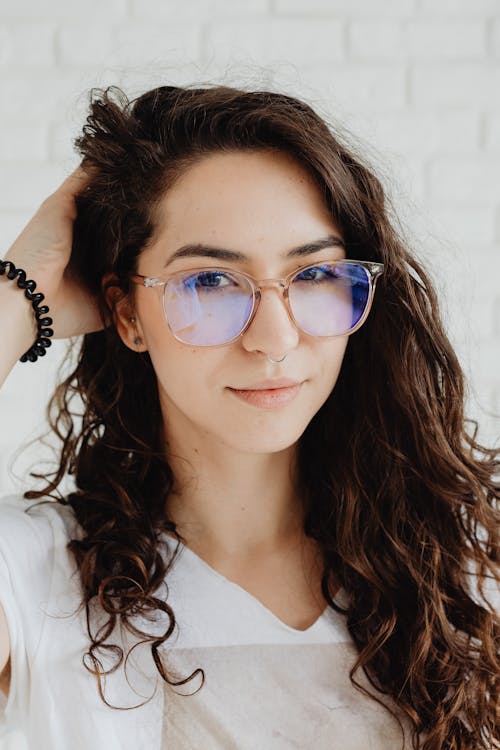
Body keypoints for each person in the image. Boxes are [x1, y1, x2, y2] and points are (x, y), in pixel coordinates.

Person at [0, 83, 497, 750]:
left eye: (315, 277)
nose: (275, 338)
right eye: (209, 282)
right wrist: (17, 294)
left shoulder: (461, 572)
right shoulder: (40, 583)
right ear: (126, 314)